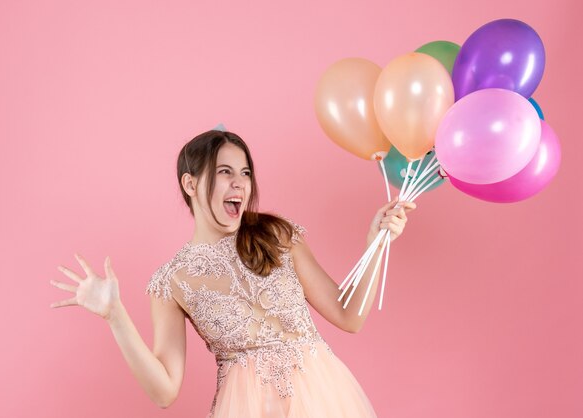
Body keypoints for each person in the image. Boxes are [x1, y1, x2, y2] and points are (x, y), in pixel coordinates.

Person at [50, 130, 416, 417]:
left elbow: (349, 316)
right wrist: (116, 316)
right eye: (225, 172)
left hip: (323, 403)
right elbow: (164, 392)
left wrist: (377, 242)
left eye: (245, 173)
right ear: (190, 184)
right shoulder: (171, 282)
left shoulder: (277, 236)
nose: (240, 183)